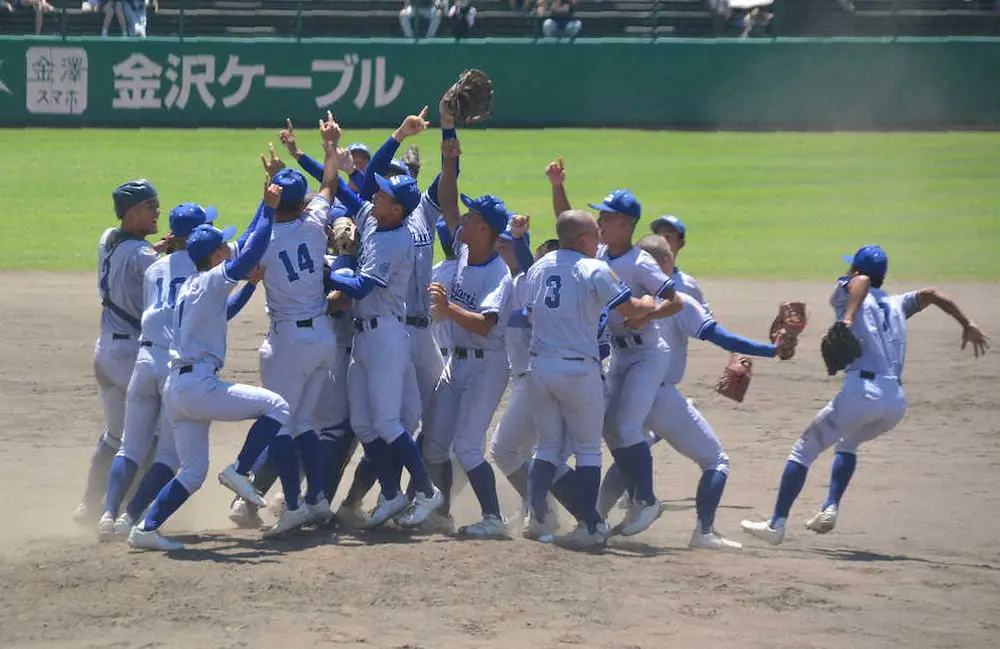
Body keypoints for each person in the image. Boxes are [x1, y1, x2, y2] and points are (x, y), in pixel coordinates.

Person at [741, 245, 989, 546]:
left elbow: (860, 282)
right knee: (848, 441)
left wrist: (846, 319)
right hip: (894, 403)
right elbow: (933, 294)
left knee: (804, 449)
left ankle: (776, 524)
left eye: (851, 269)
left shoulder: (845, 291)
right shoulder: (897, 304)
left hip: (862, 392)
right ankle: (829, 508)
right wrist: (967, 323)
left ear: (856, 271)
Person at [126, 181, 294, 551]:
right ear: (215, 255)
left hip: (177, 389)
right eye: (223, 246)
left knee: (192, 471)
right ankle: (240, 469)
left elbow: (226, 308)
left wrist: (249, 285)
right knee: (277, 406)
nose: (227, 249)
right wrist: (267, 208)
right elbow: (250, 253)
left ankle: (146, 528)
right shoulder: (211, 280)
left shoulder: (192, 286)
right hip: (199, 387)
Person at [599, 234, 791, 550]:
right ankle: (703, 532)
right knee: (716, 460)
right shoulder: (679, 302)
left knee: (628, 453)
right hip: (658, 396)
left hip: (620, 385)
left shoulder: (619, 297)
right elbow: (724, 338)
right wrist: (771, 351)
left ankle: (596, 518)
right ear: (662, 263)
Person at [97, 203, 260, 540]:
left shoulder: (154, 268)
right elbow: (223, 310)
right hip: (174, 366)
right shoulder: (204, 273)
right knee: (170, 456)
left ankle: (107, 515)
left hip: (143, 360)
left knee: (130, 446)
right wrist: (264, 202)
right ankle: (130, 518)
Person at [547, 158, 680, 539]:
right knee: (609, 428)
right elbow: (571, 228)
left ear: (627, 224)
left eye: (607, 217)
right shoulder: (600, 254)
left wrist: (646, 316)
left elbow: (675, 300)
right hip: (621, 354)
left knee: (625, 425)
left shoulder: (641, 262)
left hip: (648, 354)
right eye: (599, 217)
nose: (600, 222)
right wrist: (558, 187)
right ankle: (632, 499)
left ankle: (648, 500)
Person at [522, 210, 668, 550]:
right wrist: (649, 302)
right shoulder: (593, 268)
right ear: (582, 240)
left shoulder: (538, 267)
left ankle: (536, 516)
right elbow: (629, 310)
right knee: (588, 450)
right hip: (577, 369)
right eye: (594, 236)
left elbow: (530, 310)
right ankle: (589, 525)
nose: (599, 241)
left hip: (539, 368)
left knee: (546, 447)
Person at [328, 109, 444, 529]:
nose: (372, 196)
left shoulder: (393, 241)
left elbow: (359, 287)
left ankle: (428, 491)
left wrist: (334, 267)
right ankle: (393, 494)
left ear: (397, 209)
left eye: (380, 196)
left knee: (389, 422)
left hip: (389, 338)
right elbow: (354, 183)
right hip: (366, 337)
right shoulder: (374, 217)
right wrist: (395, 136)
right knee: (363, 421)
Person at [399, 192, 515, 537]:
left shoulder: (498, 275)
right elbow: (447, 207)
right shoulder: (465, 252)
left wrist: (448, 310)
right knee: (433, 444)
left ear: (483, 227)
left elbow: (485, 324)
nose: (461, 218)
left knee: (466, 445)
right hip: (457, 364)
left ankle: (493, 518)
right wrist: (449, 148)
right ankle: (443, 513)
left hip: (487, 367)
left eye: (470, 216)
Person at [74, 179, 165, 526]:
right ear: (132, 212)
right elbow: (159, 269)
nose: (159, 211)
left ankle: (88, 503)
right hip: (131, 356)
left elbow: (135, 255)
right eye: (151, 205)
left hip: (105, 351)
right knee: (151, 435)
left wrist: (158, 247)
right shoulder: (145, 256)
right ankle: (128, 507)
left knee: (115, 434)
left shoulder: (108, 239)